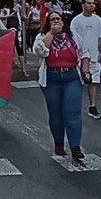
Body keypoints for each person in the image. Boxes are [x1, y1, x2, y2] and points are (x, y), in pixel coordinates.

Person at [34, 10, 89, 162]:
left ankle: (75, 147)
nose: (56, 21)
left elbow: (84, 54)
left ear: (64, 22)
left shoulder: (73, 36)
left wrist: (86, 71)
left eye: (58, 19)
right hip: (51, 78)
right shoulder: (42, 37)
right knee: (55, 113)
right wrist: (51, 33)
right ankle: (58, 143)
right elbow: (40, 51)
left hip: (71, 77)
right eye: (52, 20)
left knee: (73, 112)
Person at [70, 0, 101, 119]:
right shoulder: (76, 20)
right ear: (83, 4)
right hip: (79, 57)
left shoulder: (97, 20)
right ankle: (74, 106)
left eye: (93, 3)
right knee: (78, 81)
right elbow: (73, 38)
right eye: (88, 3)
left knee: (93, 82)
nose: (91, 5)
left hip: (94, 56)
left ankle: (92, 106)